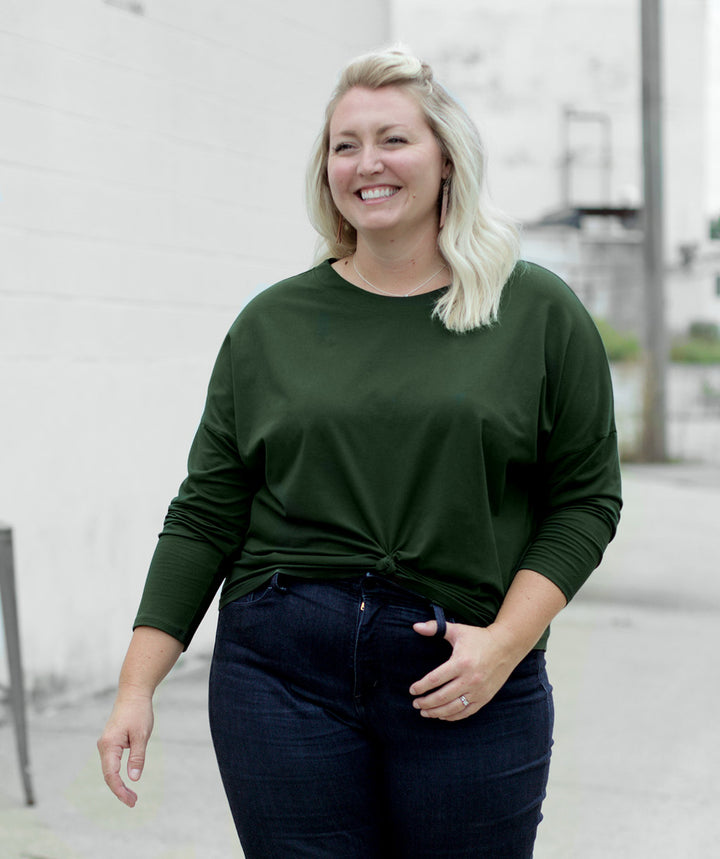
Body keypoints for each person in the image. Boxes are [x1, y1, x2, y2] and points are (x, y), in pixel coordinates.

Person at [98, 48, 622, 858]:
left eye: (393, 140)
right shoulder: (271, 324)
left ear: (447, 160)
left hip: (462, 665)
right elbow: (206, 512)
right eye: (345, 145)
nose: (366, 163)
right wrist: (136, 686)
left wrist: (504, 644)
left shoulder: (537, 311)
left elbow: (585, 501)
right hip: (280, 670)